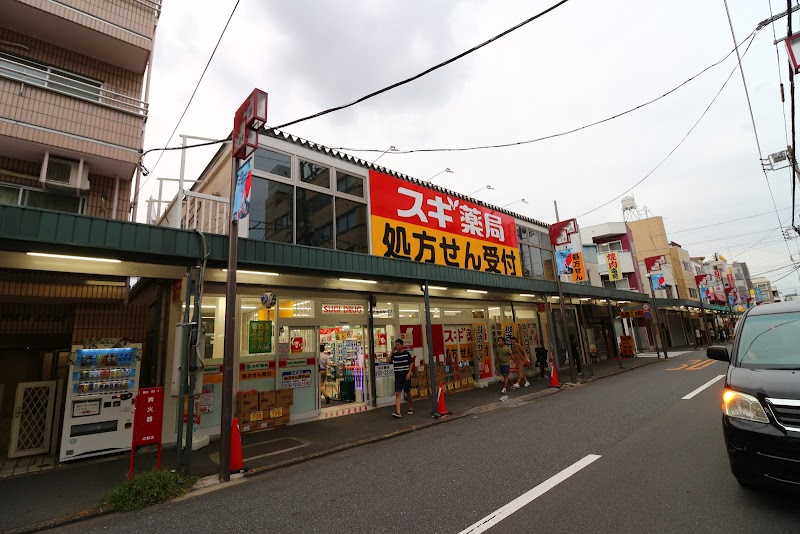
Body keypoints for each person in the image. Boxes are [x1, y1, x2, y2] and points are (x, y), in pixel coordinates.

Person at [390, 339, 413, 418]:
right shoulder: (394, 355)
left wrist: (409, 373)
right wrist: (392, 351)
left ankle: (410, 407)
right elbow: (388, 360)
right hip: (398, 377)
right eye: (395, 345)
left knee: (408, 392)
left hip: (406, 376)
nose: (396, 346)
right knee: (397, 394)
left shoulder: (407, 354)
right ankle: (398, 412)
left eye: (398, 345)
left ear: (401, 345)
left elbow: (411, 363)